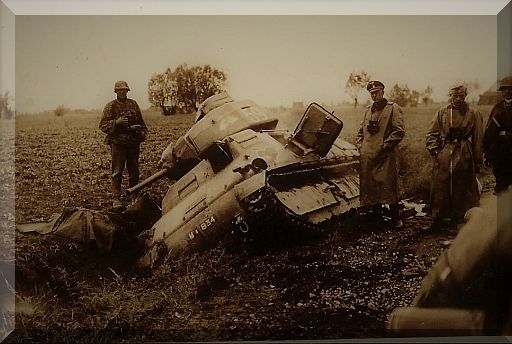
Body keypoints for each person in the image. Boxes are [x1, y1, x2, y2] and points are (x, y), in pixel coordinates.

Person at [425, 84, 483, 230]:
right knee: (440, 185)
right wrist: (436, 152)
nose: (458, 99)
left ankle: (458, 220)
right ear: (450, 96)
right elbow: (432, 133)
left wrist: (477, 161)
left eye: (461, 96)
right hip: (444, 153)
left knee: (462, 186)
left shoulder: (472, 113)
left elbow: (478, 138)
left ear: (465, 96)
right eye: (455, 96)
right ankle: (437, 219)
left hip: (464, 152)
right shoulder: (442, 112)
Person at [356, 80, 406, 228]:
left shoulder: (392, 108)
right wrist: (361, 146)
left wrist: (385, 146)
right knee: (370, 186)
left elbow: (399, 131)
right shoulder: (368, 110)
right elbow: (360, 132)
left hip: (386, 155)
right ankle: (376, 218)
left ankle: (395, 217)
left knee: (389, 185)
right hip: (368, 155)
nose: (374, 95)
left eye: (377, 92)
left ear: (383, 92)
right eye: (371, 93)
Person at [99, 81, 148, 209]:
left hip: (133, 143)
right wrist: (117, 122)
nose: (122, 92)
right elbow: (102, 125)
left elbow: (142, 124)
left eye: (124, 90)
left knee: (134, 170)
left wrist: (139, 131)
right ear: (116, 92)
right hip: (118, 143)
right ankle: (116, 198)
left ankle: (134, 194)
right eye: (120, 90)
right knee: (117, 171)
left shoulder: (133, 104)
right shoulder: (110, 106)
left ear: (127, 91)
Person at [483, 75, 512, 193]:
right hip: (501, 152)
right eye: (505, 89)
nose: (508, 92)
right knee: (501, 183)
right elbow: (490, 132)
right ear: (502, 91)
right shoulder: (497, 108)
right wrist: (487, 152)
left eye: (510, 89)